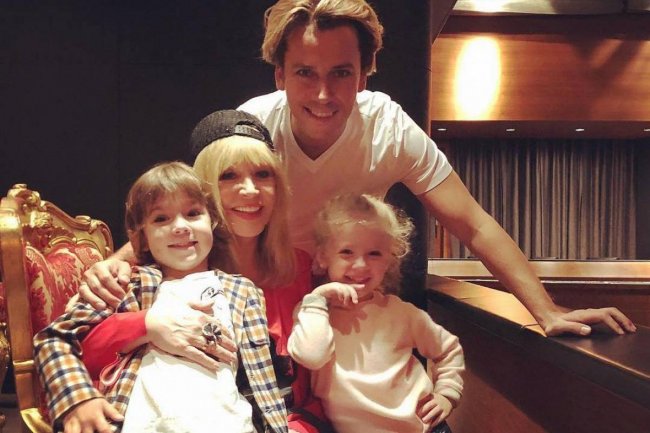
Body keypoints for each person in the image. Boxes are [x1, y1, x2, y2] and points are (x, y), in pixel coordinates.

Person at [79, 0, 634, 367]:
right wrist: (120, 261)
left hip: (339, 296)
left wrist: (547, 311)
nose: (323, 94)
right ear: (280, 75)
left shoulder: (389, 128)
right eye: (305, 73)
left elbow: (472, 222)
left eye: (341, 73)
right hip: (254, 289)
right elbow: (189, 204)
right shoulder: (255, 124)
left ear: (365, 74)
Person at [75, 110, 335, 433]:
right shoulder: (163, 271)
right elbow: (78, 350)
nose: (250, 190)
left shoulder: (301, 267)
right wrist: (144, 322)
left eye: (263, 174)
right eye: (228, 175)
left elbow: (318, 389)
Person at [33, 161, 287, 433]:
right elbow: (55, 339)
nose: (180, 227)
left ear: (212, 220)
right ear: (141, 237)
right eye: (161, 219)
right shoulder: (127, 283)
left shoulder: (243, 291)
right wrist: (78, 399)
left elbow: (258, 381)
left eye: (193, 213)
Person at [288, 193, 464, 433]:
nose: (360, 265)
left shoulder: (402, 314)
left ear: (389, 261)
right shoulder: (312, 311)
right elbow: (312, 357)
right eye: (346, 252)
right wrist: (318, 298)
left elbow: (448, 349)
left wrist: (447, 394)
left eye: (374, 254)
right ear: (323, 257)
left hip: (423, 428)